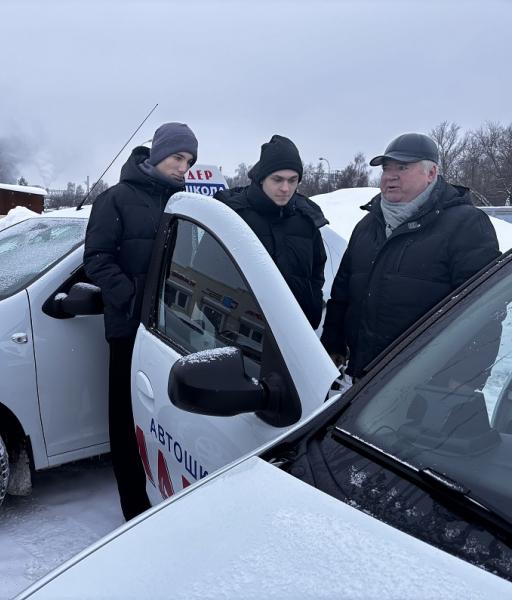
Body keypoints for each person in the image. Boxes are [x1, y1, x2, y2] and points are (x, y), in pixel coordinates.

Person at [84, 122, 198, 521]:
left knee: (164, 422)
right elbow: (97, 259)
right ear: (156, 154)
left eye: (188, 161)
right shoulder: (115, 199)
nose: (182, 167)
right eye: (177, 157)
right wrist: (134, 299)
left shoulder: (181, 204)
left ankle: (164, 499)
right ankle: (133, 512)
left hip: (173, 332)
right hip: (129, 329)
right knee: (126, 422)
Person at [321, 132, 501, 379]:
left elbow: (484, 311)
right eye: (386, 168)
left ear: (431, 173)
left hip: (425, 385)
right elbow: (342, 294)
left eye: (403, 167)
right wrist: (333, 343)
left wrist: (465, 377)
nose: (390, 175)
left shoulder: (466, 226)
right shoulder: (367, 226)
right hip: (363, 380)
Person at [214, 135, 327, 328]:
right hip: (238, 329)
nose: (285, 188)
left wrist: (312, 309)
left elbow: (316, 273)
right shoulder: (232, 216)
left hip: (295, 332)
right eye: (277, 180)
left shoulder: (307, 219)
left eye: (293, 180)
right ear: (262, 178)